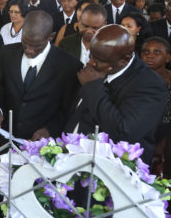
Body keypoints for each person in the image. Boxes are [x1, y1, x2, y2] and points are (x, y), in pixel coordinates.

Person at [64, 25, 168, 164]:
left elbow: (124, 132)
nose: (91, 62)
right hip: (69, 158)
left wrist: (93, 87)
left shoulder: (150, 85)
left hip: (111, 169)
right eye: (91, 55)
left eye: (99, 60)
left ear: (124, 60)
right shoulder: (95, 68)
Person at [0, 10, 83, 139]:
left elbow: (68, 109)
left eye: (36, 45)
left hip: (42, 144)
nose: (29, 50)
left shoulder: (69, 66)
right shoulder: (6, 53)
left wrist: (49, 130)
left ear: (51, 36)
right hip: (6, 138)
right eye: (25, 42)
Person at [141, 37, 171, 176]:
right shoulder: (136, 80)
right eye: (145, 52)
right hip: (142, 136)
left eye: (157, 52)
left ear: (168, 58)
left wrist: (161, 144)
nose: (150, 55)